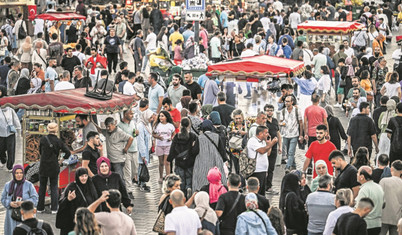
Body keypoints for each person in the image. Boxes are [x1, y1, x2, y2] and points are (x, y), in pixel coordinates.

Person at [37, 123, 71, 214]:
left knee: (42, 187)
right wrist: (61, 160)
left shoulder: (43, 139)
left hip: (43, 165)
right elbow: (68, 152)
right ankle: (54, 208)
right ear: (56, 130)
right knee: (54, 186)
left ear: (48, 129)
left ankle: (40, 208)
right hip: (54, 165)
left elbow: (39, 151)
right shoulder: (58, 141)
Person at [56, 168, 98, 235]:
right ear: (77, 177)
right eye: (81, 176)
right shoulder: (71, 187)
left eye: (85, 176)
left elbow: (96, 201)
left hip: (87, 220)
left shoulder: (90, 186)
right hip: (73, 222)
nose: (84, 178)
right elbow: (62, 204)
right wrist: (68, 199)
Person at [1, 165, 38, 235]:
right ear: (13, 174)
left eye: (21, 173)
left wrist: (23, 203)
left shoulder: (29, 185)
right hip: (11, 216)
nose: (19, 175)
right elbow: (3, 199)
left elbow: (35, 199)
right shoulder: (8, 185)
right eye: (17, 173)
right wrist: (9, 203)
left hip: (26, 216)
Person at [192, 120, 227, 192]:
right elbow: (221, 150)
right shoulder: (217, 136)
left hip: (201, 161)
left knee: (201, 179)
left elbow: (194, 151)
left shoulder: (199, 138)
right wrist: (224, 160)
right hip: (215, 160)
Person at [168, 117, 200, 193]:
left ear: (180, 125)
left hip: (179, 162)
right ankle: (188, 188)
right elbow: (196, 150)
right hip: (190, 162)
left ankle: (182, 193)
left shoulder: (177, 136)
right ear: (189, 125)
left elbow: (172, 149)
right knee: (189, 177)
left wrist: (170, 159)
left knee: (180, 179)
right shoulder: (193, 136)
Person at [247, 125, 277, 195]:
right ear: (260, 133)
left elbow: (268, 153)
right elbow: (262, 151)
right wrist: (272, 143)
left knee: (262, 193)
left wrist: (269, 143)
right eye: (266, 133)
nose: (268, 134)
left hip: (263, 170)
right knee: (256, 192)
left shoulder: (263, 141)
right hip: (256, 170)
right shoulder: (253, 141)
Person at [355, 166, 384, 235]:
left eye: (358, 173)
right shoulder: (378, 187)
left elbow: (359, 210)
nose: (356, 174)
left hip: (367, 225)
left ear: (362, 176)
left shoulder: (364, 189)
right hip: (378, 224)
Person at [117, 109, 139, 195]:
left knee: (135, 170)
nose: (132, 115)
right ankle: (128, 190)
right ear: (125, 114)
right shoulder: (119, 126)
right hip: (126, 151)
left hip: (135, 149)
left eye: (133, 114)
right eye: (130, 114)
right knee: (128, 172)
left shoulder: (133, 123)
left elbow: (134, 134)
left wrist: (136, 133)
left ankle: (130, 184)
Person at [279, 95, 303, 172]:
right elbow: (280, 122)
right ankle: (294, 165)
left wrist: (301, 134)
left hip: (294, 134)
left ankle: (288, 167)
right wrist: (282, 123)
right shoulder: (282, 111)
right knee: (288, 152)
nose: (286, 103)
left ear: (292, 102)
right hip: (285, 134)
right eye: (286, 101)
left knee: (291, 152)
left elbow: (301, 123)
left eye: (288, 101)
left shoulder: (297, 110)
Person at [379, 160, 402, 235]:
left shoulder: (384, 181)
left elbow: (379, 198)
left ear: (391, 169)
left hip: (383, 216)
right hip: (397, 217)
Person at [153, 110, 175, 183]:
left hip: (168, 145)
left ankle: (168, 177)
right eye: (160, 116)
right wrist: (158, 137)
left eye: (162, 116)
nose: (160, 118)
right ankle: (161, 176)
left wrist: (171, 138)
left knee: (167, 162)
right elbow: (153, 134)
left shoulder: (170, 125)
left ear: (166, 117)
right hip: (159, 145)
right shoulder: (157, 125)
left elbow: (174, 134)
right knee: (161, 163)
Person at [0, 105, 20, 171]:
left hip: (10, 133)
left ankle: (10, 166)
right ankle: (3, 160)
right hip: (1, 133)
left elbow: (16, 119)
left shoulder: (10, 110)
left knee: (11, 150)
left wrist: (18, 129)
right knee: (1, 149)